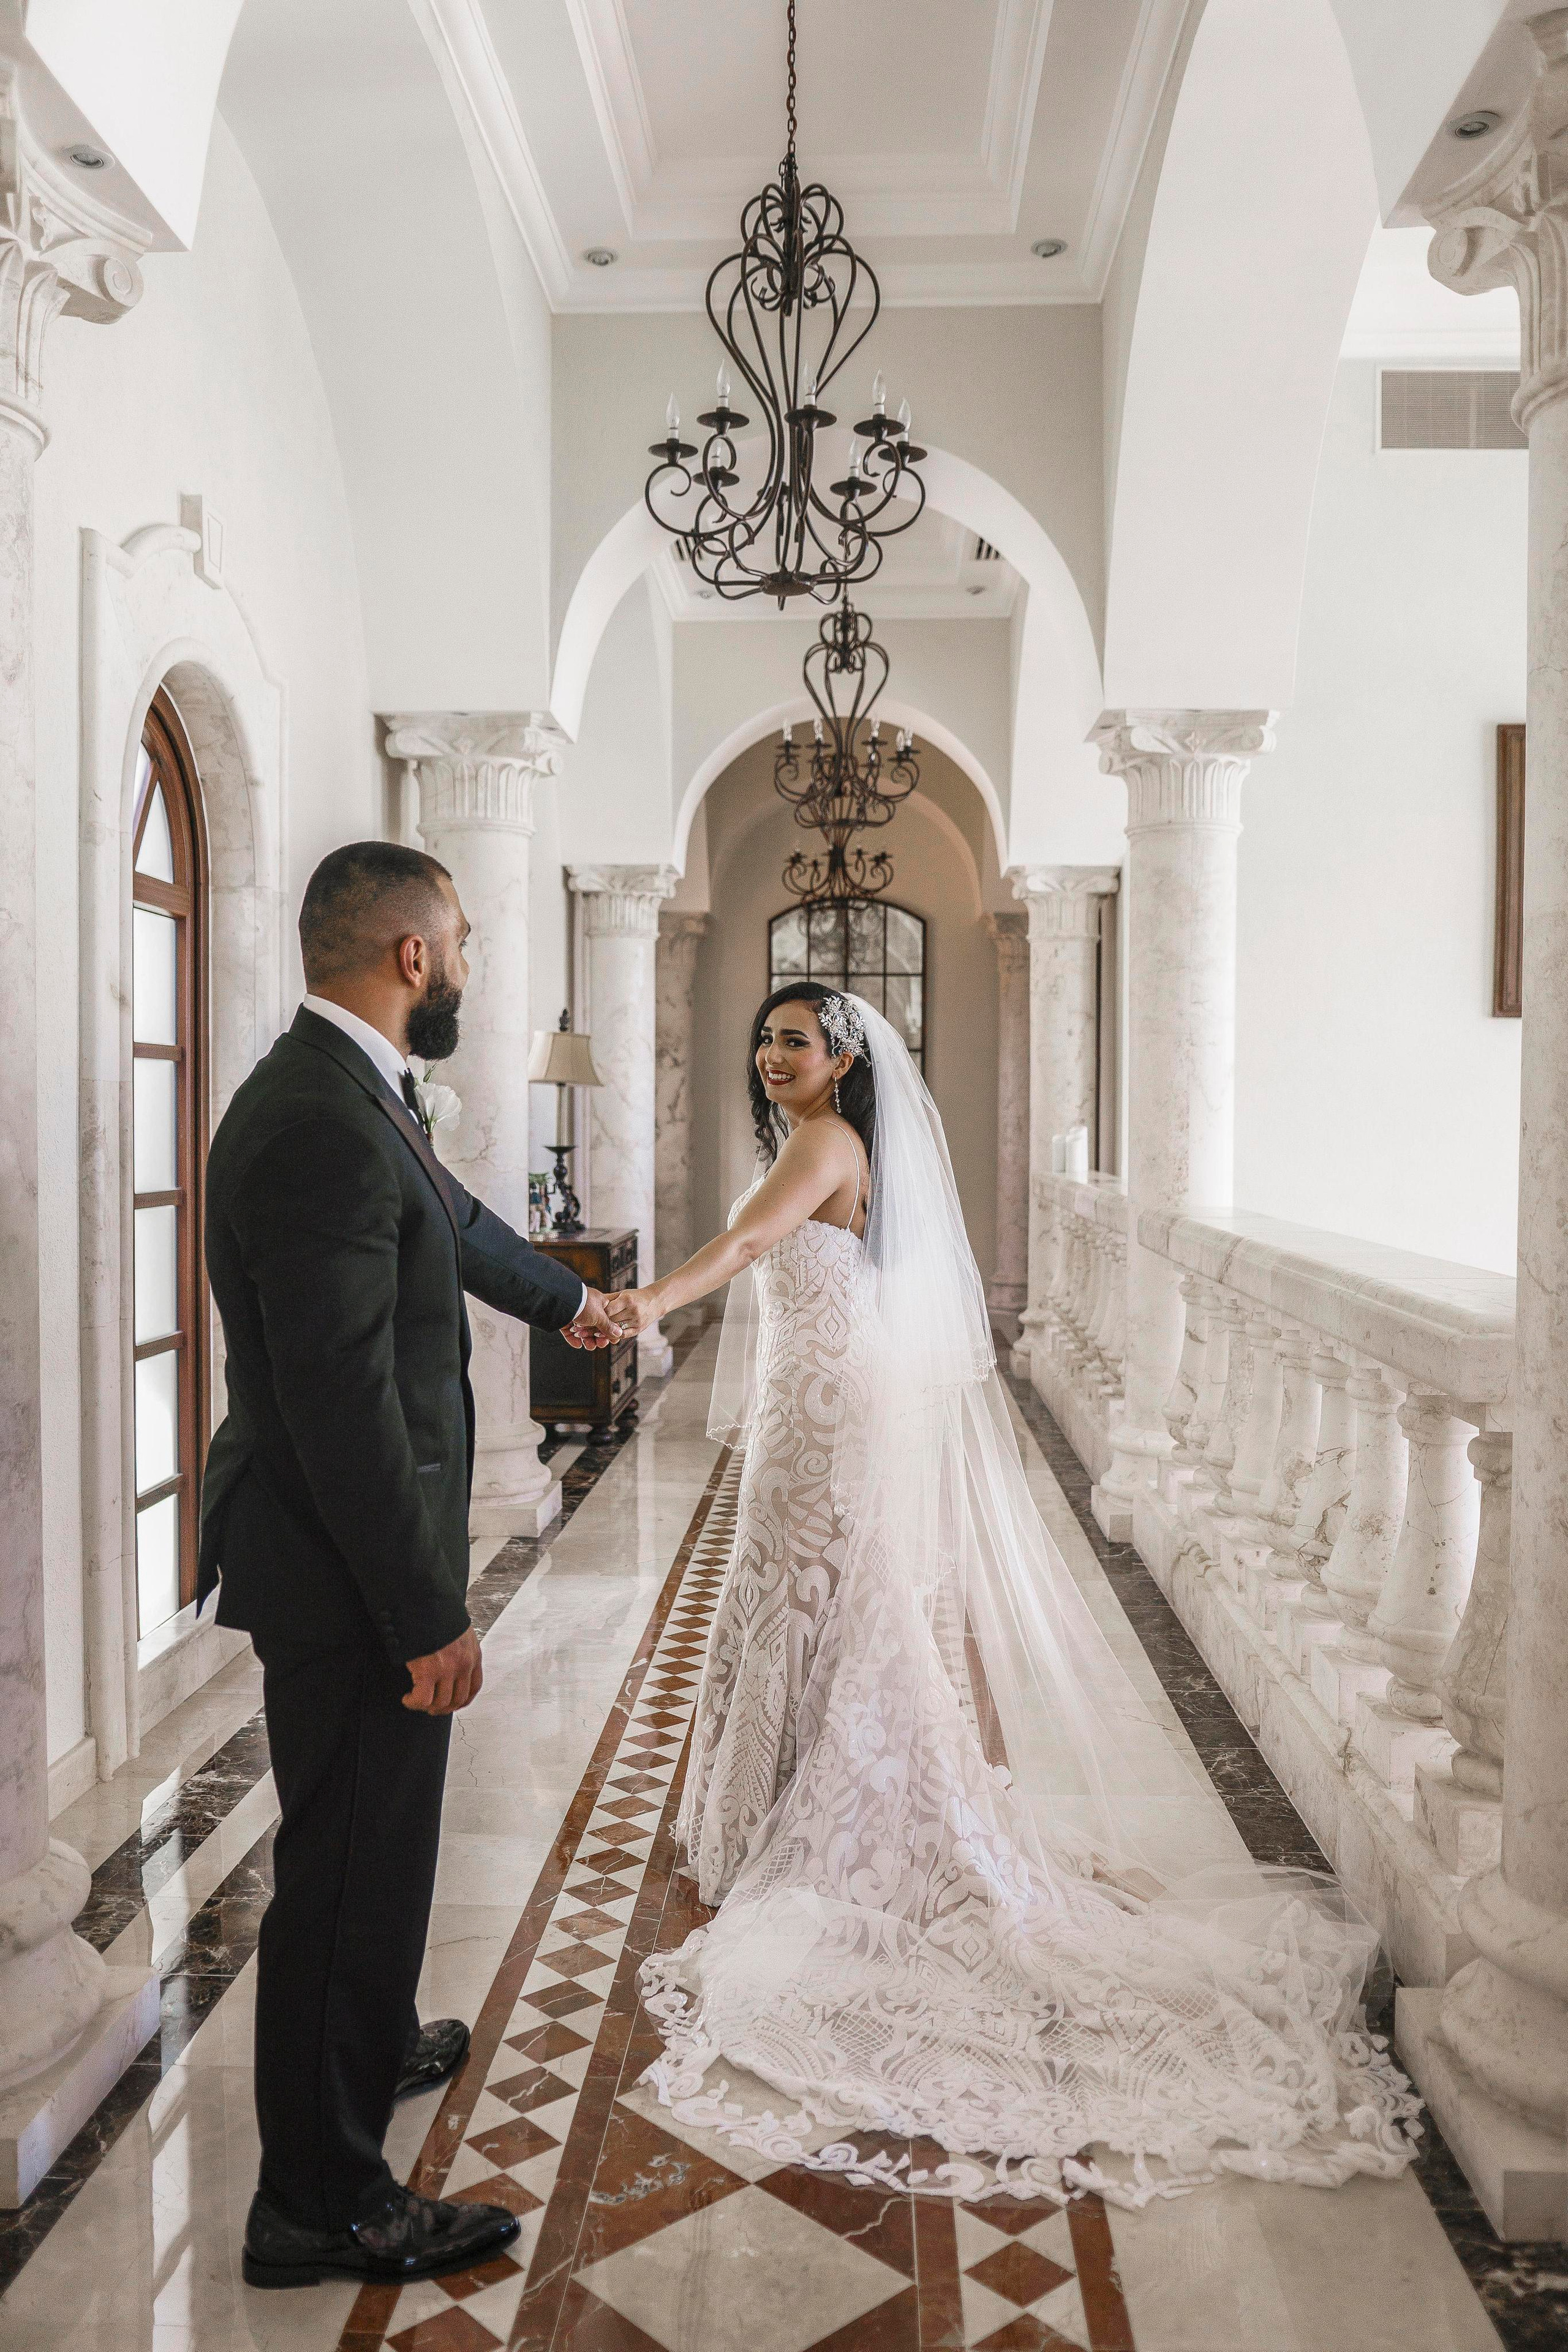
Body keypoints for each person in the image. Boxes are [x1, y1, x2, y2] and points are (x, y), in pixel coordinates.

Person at [604, 981, 1423, 2210]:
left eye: (796, 1041)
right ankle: (781, 1795)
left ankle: (832, 1806)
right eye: (765, 1037)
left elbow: (747, 1250)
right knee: (807, 1585)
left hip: (825, 1408)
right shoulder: (826, 1141)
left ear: (842, 1061)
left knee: (816, 1585)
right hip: (816, 1393)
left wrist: (642, 1306)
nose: (773, 1055)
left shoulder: (825, 1146)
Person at [200, 841, 622, 2290]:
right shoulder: (319, 1119)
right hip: (343, 1570)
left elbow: (451, 1221)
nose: (470, 966)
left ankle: (369, 2046)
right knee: (345, 1871)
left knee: (378, 1854)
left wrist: (572, 1302)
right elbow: (339, 1403)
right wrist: (423, 1611)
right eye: (465, 941)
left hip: (341, 1553)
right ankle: (317, 2205)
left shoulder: (346, 1089)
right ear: (413, 955)